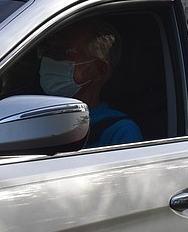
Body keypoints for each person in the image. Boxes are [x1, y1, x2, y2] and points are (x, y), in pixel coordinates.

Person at [37, 17, 143, 148]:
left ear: (99, 70)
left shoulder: (120, 131)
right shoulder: (30, 114)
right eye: (46, 51)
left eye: (61, 53)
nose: (49, 60)